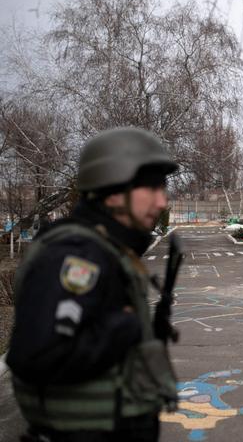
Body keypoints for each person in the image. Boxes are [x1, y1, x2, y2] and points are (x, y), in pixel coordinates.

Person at [8, 127, 180, 442]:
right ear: (113, 192)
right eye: (153, 188)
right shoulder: (77, 255)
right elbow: (37, 355)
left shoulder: (105, 248)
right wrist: (124, 326)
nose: (162, 201)